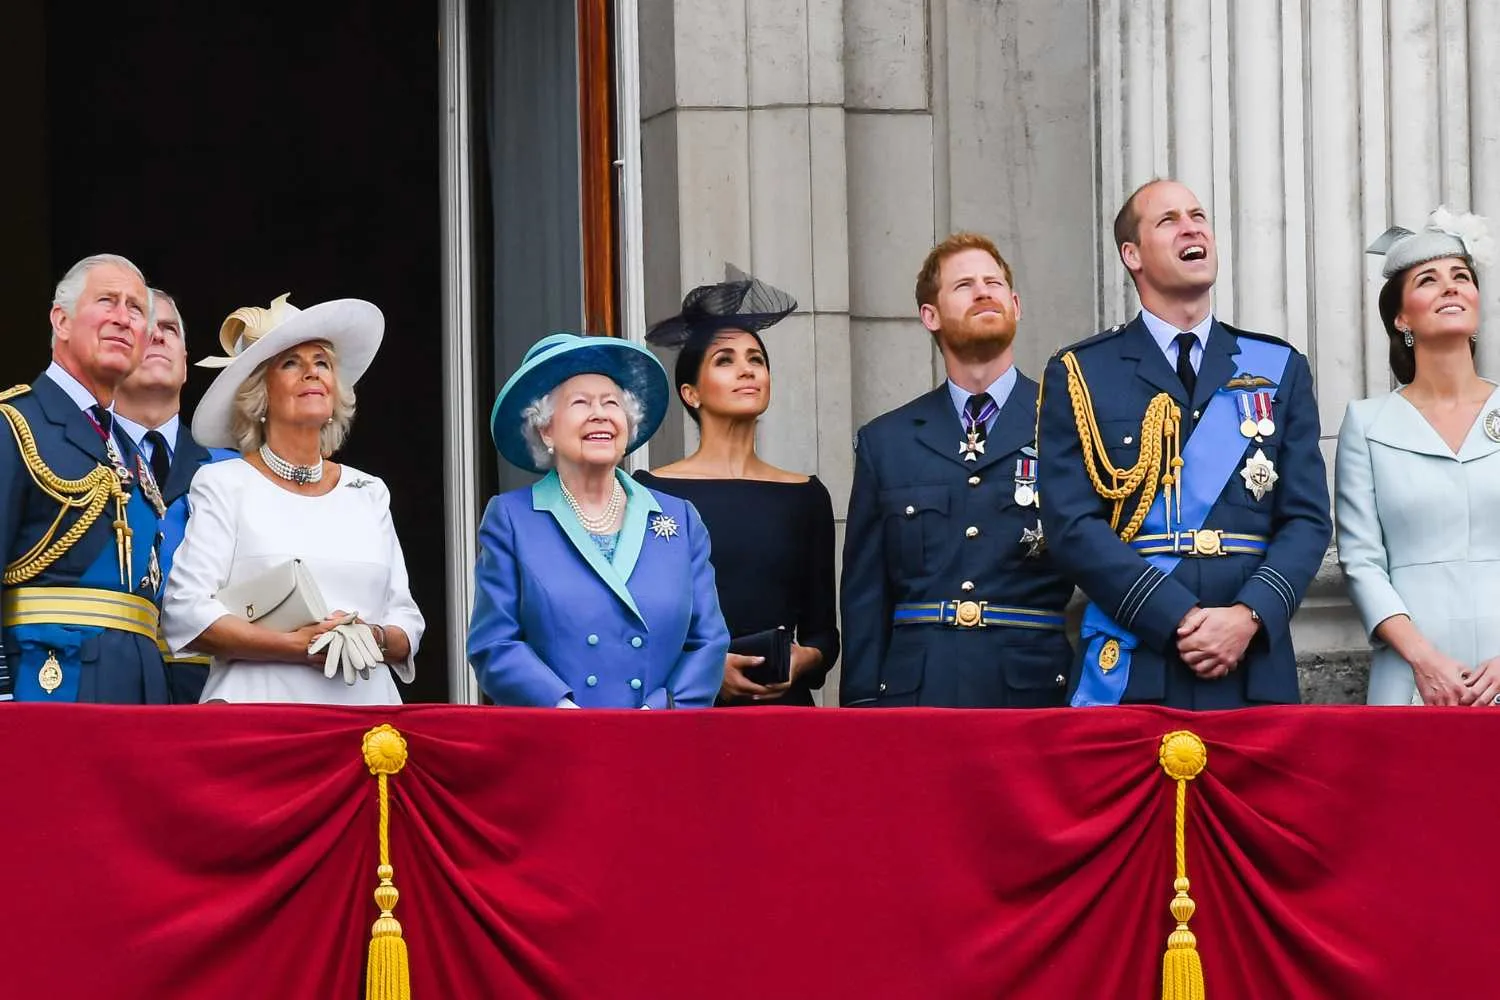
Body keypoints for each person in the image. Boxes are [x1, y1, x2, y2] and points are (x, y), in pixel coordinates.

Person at [1038, 179, 1332, 709]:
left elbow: (1307, 519)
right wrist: (1174, 614)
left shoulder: (1277, 367)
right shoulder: (1082, 372)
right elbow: (1072, 525)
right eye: (1168, 219)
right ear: (1132, 255)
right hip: (1138, 650)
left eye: (1198, 215)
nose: (1193, 226)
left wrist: (1248, 617)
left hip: (1251, 658)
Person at [840, 233, 1075, 707]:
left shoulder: (1068, 422)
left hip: (1034, 692)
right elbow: (866, 592)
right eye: (964, 285)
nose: (984, 291)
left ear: (1016, 305)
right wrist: (862, 711)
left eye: (994, 283)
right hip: (919, 695)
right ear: (931, 315)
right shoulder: (888, 441)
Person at [161, 294, 423, 704]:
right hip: (260, 717)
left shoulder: (369, 492)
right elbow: (186, 613)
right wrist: (299, 647)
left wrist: (371, 636)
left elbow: (406, 623)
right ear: (259, 396)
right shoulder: (223, 484)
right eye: (290, 363)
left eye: (321, 362)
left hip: (367, 721)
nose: (311, 373)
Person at [468, 332, 729, 708]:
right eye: (580, 402)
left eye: (612, 402)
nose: (600, 413)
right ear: (546, 429)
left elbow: (708, 640)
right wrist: (563, 710)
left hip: (661, 738)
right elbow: (495, 642)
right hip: (558, 741)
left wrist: (659, 710)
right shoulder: (512, 519)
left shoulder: (680, 518)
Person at [636, 270, 839, 706]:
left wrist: (801, 660)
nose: (746, 370)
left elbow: (824, 633)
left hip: (784, 716)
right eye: (724, 360)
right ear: (691, 394)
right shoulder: (649, 492)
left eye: (756, 359)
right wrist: (705, 668)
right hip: (688, 713)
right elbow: (637, 625)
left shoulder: (805, 494)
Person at [1337, 208, 1500, 707]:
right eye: (1428, 280)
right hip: (1411, 673)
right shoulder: (1366, 424)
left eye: (1461, 276)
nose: (1451, 287)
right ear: (1402, 318)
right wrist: (1422, 660)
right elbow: (1361, 561)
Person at [0, 253, 169, 703]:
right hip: (48, 685)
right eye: (107, 301)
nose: (122, 318)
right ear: (61, 320)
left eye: (135, 309)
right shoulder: (16, 424)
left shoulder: (132, 451)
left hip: (139, 688)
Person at [114, 289, 236, 704]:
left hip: (213, 690)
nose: (157, 336)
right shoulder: (68, 461)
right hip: (103, 687)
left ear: (185, 363)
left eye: (169, 329)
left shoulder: (235, 472)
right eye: (141, 329)